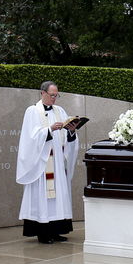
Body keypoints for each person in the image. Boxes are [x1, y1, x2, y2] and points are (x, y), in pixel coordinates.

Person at [16, 81, 80, 244]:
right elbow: (30, 138)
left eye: (56, 95)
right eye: (52, 95)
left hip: (57, 162)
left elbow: (67, 140)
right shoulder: (32, 111)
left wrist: (71, 132)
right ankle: (43, 233)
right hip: (42, 164)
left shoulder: (60, 111)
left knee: (58, 196)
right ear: (42, 93)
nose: (54, 99)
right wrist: (50, 129)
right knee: (43, 197)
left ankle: (56, 230)